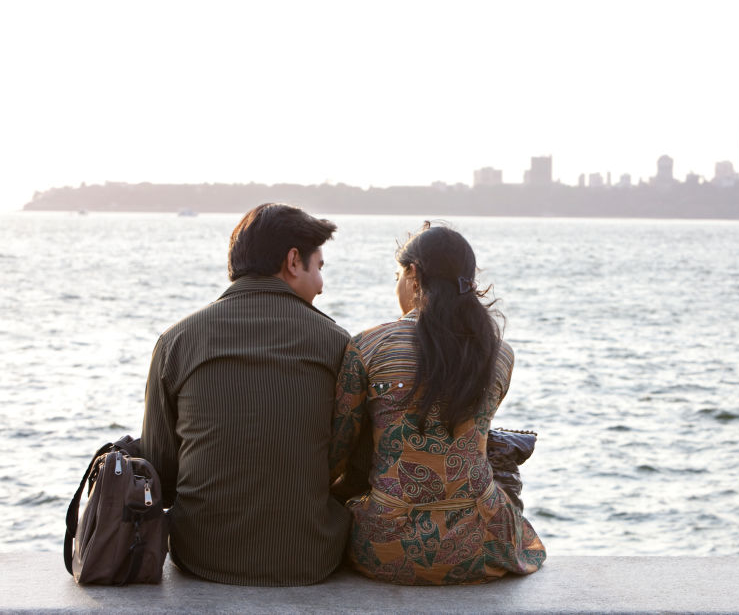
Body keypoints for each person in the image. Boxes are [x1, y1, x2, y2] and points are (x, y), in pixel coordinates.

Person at [141, 203, 353, 586]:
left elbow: (161, 471)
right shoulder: (337, 344)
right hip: (309, 556)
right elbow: (354, 464)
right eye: (319, 267)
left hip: (200, 554)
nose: (321, 284)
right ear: (293, 261)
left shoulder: (177, 342)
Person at [330, 222, 546, 585]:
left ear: (413, 275)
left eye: (397, 275)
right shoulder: (499, 354)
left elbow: (336, 453)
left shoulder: (368, 345)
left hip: (387, 547)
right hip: (480, 543)